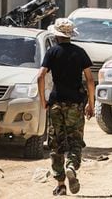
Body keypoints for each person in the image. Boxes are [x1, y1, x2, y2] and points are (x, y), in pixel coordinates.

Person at [37, 18, 95, 196]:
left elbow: (40, 76)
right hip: (75, 104)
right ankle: (71, 166)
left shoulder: (52, 52)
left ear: (56, 35)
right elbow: (90, 80)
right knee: (75, 142)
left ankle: (61, 184)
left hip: (56, 103)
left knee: (56, 144)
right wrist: (91, 104)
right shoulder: (80, 53)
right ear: (70, 35)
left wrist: (43, 100)